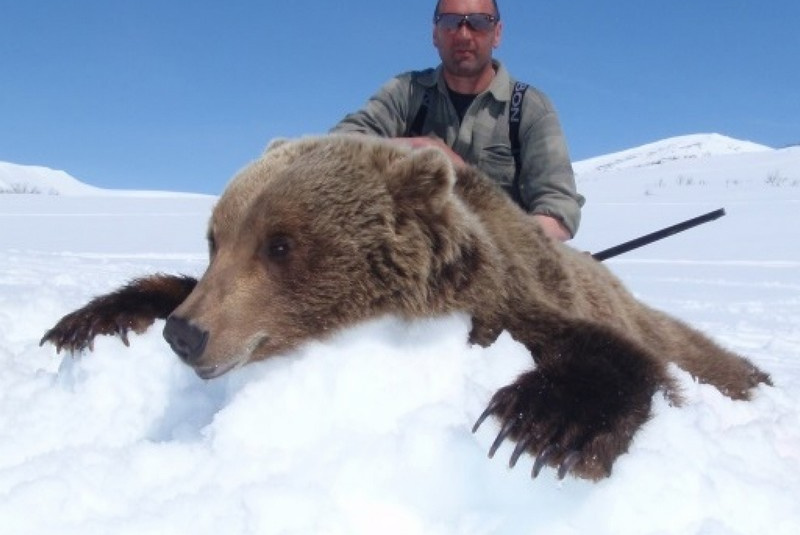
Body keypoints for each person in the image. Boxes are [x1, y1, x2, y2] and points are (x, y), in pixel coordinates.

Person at [331, 0, 584, 241]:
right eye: (451, 22)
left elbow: (559, 212)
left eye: (479, 22)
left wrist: (492, 235)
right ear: (435, 34)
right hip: (413, 264)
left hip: (499, 270)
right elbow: (337, 146)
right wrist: (417, 148)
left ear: (497, 33)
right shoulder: (406, 91)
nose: (464, 34)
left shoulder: (531, 108)